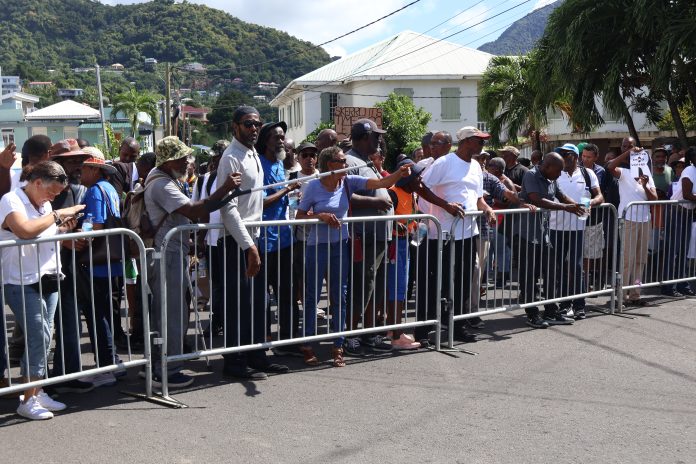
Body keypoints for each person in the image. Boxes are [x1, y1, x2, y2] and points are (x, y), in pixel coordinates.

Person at [295, 147, 410, 366]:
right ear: (330, 164)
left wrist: (399, 174)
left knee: (340, 296)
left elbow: (380, 184)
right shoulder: (313, 187)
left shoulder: (348, 181)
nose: (346, 164)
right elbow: (300, 215)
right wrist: (320, 216)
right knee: (312, 297)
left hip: (341, 245)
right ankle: (308, 344)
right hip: (316, 247)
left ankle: (338, 344)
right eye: (341, 160)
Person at [145, 136, 241, 388]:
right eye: (182, 157)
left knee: (171, 310)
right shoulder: (162, 184)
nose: (188, 161)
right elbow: (194, 209)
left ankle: (161, 365)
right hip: (166, 252)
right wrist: (224, 188)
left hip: (172, 249)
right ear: (168, 161)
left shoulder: (165, 178)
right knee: (171, 312)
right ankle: (167, 369)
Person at [0, 161, 84, 419]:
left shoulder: (44, 205)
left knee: (44, 338)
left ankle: (35, 391)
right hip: (21, 280)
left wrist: (61, 231)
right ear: (37, 182)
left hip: (48, 277)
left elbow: (40, 233)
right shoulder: (11, 200)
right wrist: (59, 215)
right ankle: (28, 399)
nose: (54, 197)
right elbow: (24, 231)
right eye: (52, 191)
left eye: (57, 194)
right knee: (40, 336)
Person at [217, 106, 288, 380]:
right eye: (248, 124)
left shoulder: (252, 153)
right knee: (239, 305)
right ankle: (234, 363)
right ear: (235, 127)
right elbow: (229, 209)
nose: (254, 129)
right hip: (239, 242)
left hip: (254, 238)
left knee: (258, 303)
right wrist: (249, 247)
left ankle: (257, 356)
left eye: (257, 124)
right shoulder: (231, 157)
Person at [414, 126, 497, 344]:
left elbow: (477, 197)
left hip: (468, 233)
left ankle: (458, 325)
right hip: (441, 233)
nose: (482, 145)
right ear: (466, 141)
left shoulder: (477, 167)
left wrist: (487, 209)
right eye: (479, 141)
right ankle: (423, 330)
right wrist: (445, 205)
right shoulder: (445, 162)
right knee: (435, 282)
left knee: (461, 283)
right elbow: (420, 186)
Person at [76, 149, 128, 388]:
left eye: (84, 167)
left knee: (98, 317)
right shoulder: (109, 189)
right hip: (111, 263)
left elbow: (94, 227)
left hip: (96, 265)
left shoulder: (95, 192)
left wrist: (78, 235)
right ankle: (112, 362)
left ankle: (106, 365)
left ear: (94, 170)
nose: (80, 172)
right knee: (105, 314)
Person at [47, 145, 95, 393]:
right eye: (72, 161)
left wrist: (81, 236)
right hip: (43, 269)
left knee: (71, 322)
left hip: (71, 267)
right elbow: (33, 228)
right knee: (42, 329)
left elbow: (83, 222)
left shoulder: (78, 190)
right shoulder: (44, 194)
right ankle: (40, 383)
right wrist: (62, 238)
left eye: (80, 161)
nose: (78, 166)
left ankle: (68, 374)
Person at [343, 118, 395, 354]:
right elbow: (342, 195)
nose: (380, 140)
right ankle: (351, 335)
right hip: (365, 235)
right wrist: (375, 201)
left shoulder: (367, 161)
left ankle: (369, 333)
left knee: (375, 286)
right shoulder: (349, 161)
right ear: (364, 137)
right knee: (363, 286)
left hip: (380, 234)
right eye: (376, 136)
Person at [517, 152, 585, 328]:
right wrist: (566, 208)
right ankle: (532, 314)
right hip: (528, 234)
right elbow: (537, 200)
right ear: (546, 167)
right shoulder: (531, 175)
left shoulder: (552, 178)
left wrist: (576, 206)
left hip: (544, 233)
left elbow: (561, 196)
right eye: (558, 170)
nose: (560, 174)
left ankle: (551, 311)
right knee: (530, 275)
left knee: (551, 273)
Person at [255, 121, 301, 345]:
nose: (281, 141)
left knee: (287, 293)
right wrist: (286, 189)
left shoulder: (280, 165)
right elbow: (258, 203)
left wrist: (292, 195)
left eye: (283, 136)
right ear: (265, 141)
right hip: (264, 242)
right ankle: (264, 338)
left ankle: (290, 338)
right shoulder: (258, 165)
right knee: (264, 295)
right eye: (276, 137)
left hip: (284, 240)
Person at [548, 144, 603, 320]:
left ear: (576, 156)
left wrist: (590, 204)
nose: (564, 157)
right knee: (558, 268)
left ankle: (579, 305)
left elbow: (600, 196)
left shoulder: (588, 173)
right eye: (561, 154)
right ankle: (563, 305)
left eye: (567, 154)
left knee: (576, 267)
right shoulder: (555, 173)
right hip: (556, 227)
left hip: (578, 228)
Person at [606, 138, 658, 306]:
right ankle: (622, 294)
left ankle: (635, 294)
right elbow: (610, 167)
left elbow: (654, 199)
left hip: (644, 220)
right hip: (628, 219)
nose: (629, 149)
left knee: (641, 260)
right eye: (625, 146)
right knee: (627, 259)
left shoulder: (647, 175)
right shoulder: (623, 172)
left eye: (631, 146)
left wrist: (644, 185)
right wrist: (628, 153)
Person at [193, 141, 230, 338]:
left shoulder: (235, 177)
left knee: (233, 283)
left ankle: (231, 321)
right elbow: (199, 209)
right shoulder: (204, 180)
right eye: (214, 158)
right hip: (213, 241)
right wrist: (200, 239)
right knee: (216, 283)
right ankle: (217, 322)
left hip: (233, 239)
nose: (216, 161)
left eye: (219, 157)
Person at [662, 147, 696, 297]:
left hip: (687, 212)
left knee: (683, 251)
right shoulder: (689, 170)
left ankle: (682, 285)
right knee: (673, 251)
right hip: (676, 211)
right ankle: (668, 287)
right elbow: (687, 194)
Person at [580, 143, 608, 290]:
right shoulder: (577, 169)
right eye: (583, 156)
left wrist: (588, 202)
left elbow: (596, 193)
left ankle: (597, 280)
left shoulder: (599, 171)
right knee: (581, 254)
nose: (584, 159)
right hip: (578, 218)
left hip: (594, 219)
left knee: (595, 254)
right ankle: (583, 283)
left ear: (596, 157)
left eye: (588, 157)